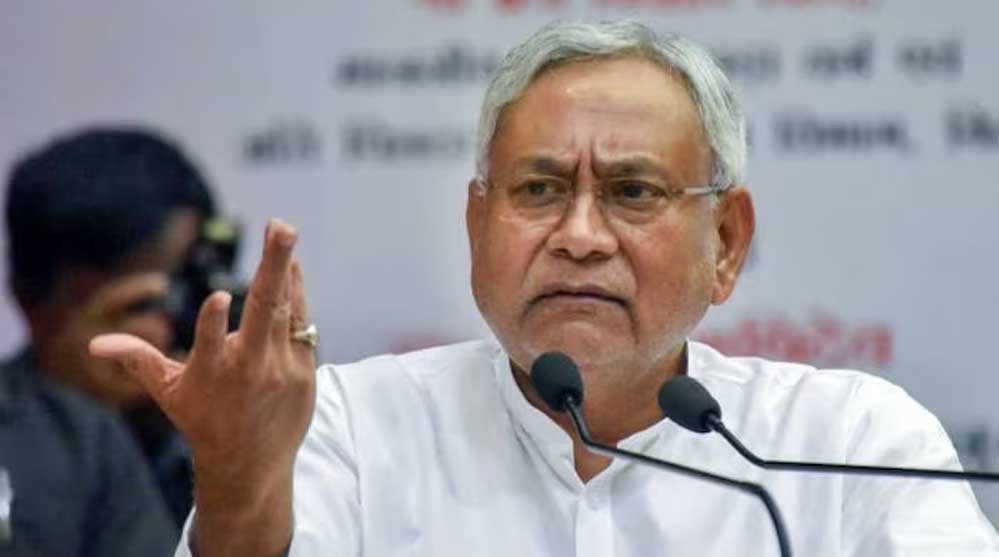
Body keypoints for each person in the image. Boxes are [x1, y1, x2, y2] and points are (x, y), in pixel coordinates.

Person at [91, 21, 999, 557]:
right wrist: (239, 482)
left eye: (632, 192)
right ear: (476, 224)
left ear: (725, 243)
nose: (578, 235)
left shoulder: (849, 446)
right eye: (537, 189)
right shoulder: (350, 430)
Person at [2, 127, 224, 544]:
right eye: (137, 307)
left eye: (183, 296)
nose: (166, 329)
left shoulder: (234, 425)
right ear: (29, 300)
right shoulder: (17, 453)